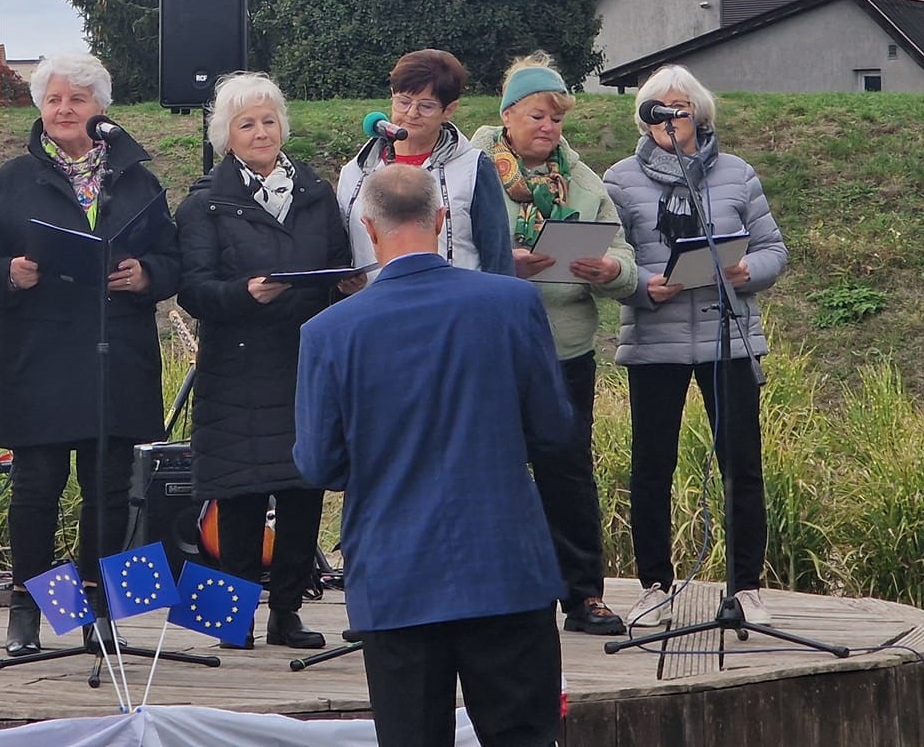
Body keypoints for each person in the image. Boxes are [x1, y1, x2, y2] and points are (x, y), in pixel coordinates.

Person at [296, 165, 570, 747]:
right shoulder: (513, 302)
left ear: (367, 228)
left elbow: (319, 465)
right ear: (442, 220)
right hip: (505, 567)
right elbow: (553, 430)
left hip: (396, 575)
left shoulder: (328, 332)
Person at [0, 53, 179, 656]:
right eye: (55, 99)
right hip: (39, 354)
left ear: (100, 110)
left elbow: (173, 259)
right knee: (37, 487)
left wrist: (147, 275)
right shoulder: (12, 179)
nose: (64, 110)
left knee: (108, 490)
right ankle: (31, 609)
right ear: (40, 107)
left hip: (116, 354)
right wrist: (10, 273)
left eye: (78, 100)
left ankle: (99, 609)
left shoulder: (136, 176)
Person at [602, 64, 788, 630]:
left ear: (700, 116)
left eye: (680, 108)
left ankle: (746, 588)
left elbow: (773, 250)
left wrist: (744, 271)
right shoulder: (619, 180)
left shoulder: (737, 174)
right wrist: (640, 285)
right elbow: (610, 258)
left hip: (725, 337)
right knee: (651, 466)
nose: (669, 119)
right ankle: (655, 586)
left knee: (741, 465)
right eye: (658, 109)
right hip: (653, 340)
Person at [173, 73, 347, 650]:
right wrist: (243, 294)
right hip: (237, 366)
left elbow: (340, 263)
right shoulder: (204, 204)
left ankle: (288, 611)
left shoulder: (317, 194)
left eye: (269, 120)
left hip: (305, 360)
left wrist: (342, 285)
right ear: (227, 135)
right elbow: (192, 290)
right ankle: (230, 618)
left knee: (302, 491)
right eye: (246, 123)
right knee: (238, 494)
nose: (261, 132)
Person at [473, 53, 639, 637]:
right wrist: (503, 265)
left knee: (567, 471)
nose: (549, 128)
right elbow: (449, 252)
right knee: (492, 472)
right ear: (509, 116)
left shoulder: (586, 182)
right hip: (491, 349)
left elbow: (626, 257)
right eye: (539, 116)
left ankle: (583, 594)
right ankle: (500, 593)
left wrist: (607, 270)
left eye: (558, 120)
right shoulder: (472, 172)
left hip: (564, 349)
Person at [336, 48, 513, 281]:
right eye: (403, 102)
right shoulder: (356, 171)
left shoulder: (474, 168)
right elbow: (343, 251)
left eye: (426, 106)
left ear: (449, 110)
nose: (411, 113)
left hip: (454, 311)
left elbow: (497, 258)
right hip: (377, 309)